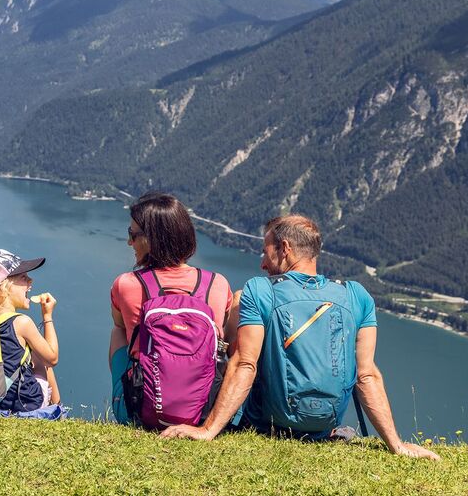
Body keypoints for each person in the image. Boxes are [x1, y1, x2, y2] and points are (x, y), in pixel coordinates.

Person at [161, 214, 440, 460]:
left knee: (237, 310)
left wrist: (208, 430)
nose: (262, 264)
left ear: (285, 249)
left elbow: (245, 364)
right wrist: (396, 444)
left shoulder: (259, 290)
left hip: (266, 425)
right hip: (321, 429)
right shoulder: (357, 296)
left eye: (265, 252)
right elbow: (367, 376)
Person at [109, 191, 235, 424]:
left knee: (119, 333)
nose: (129, 242)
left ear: (150, 239)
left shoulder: (127, 284)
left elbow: (119, 325)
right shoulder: (217, 284)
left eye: (132, 234)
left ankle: (124, 406)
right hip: (202, 414)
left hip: (140, 411)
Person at [0, 249, 60, 411]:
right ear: (3, 288)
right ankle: (58, 408)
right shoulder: (22, 322)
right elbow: (52, 358)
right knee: (41, 357)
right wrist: (47, 316)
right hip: (24, 404)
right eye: (23, 277)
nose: (30, 281)